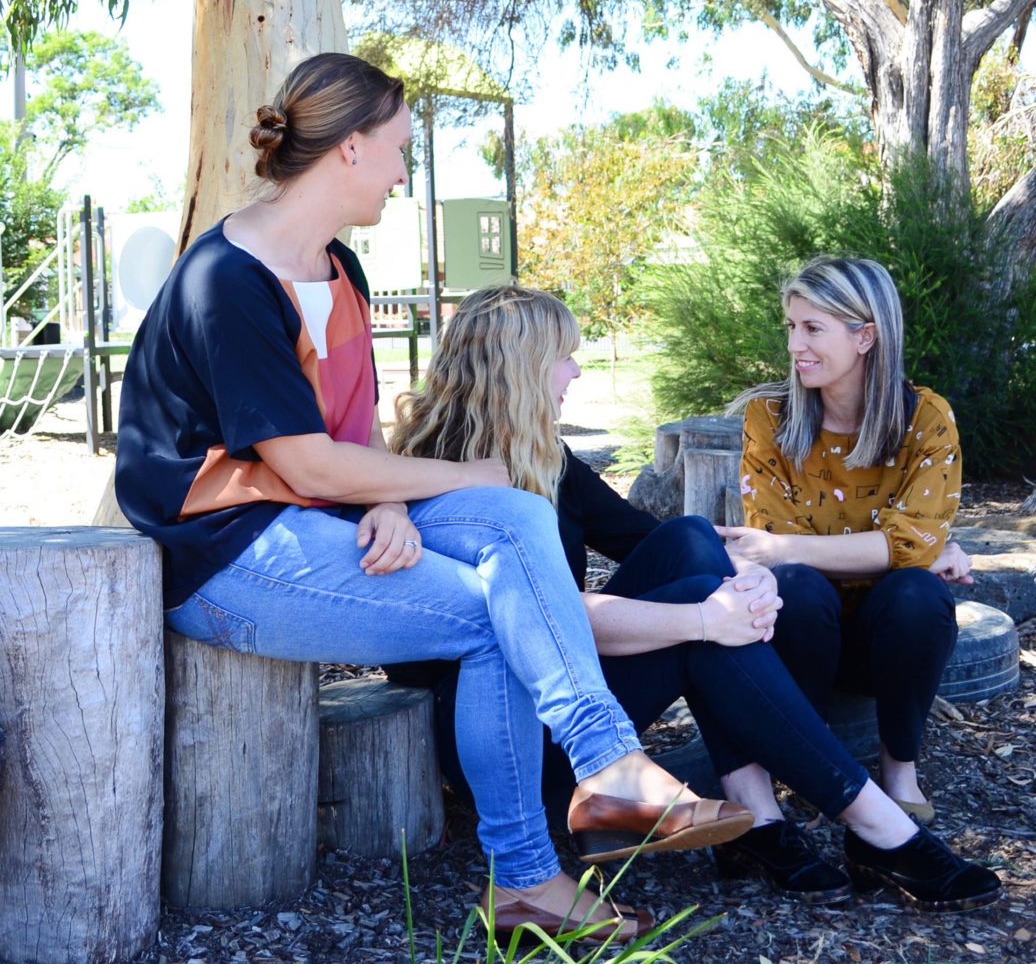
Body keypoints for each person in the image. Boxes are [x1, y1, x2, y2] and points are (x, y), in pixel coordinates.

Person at [113, 52, 756, 944]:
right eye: (399, 148)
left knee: (523, 516)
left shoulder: (339, 270)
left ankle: (606, 772)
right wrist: (453, 477)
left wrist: (384, 502)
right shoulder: (227, 281)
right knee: (500, 603)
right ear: (348, 149)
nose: (405, 170)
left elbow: (352, 444)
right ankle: (539, 865)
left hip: (314, 518)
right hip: (224, 559)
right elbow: (311, 466)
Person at [389, 285, 1001, 914]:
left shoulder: (542, 454)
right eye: (565, 357)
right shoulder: (441, 477)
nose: (577, 370)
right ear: (517, 367)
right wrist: (707, 617)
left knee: (690, 542)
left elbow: (654, 541)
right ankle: (874, 827)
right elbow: (536, 619)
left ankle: (760, 817)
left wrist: (750, 574)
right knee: (706, 623)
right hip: (498, 726)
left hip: (563, 695)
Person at [722, 256, 973, 829]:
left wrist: (909, 552)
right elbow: (778, 536)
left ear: (866, 336)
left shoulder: (925, 419)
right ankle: (818, 769)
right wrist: (907, 549)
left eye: (813, 328)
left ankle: (899, 773)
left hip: (885, 637)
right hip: (798, 633)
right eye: (791, 327)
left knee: (917, 595)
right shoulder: (770, 418)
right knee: (800, 588)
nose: (795, 345)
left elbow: (896, 547)